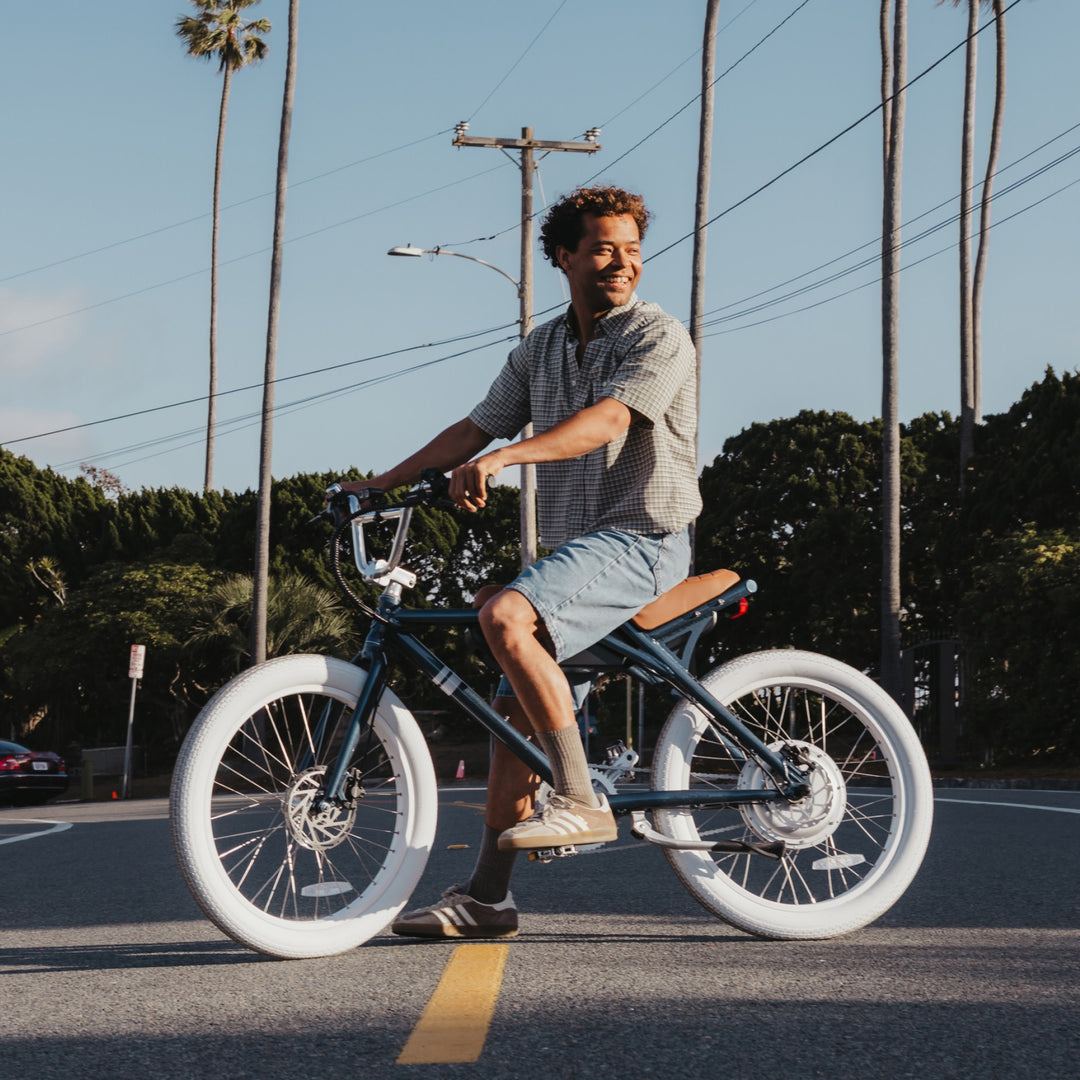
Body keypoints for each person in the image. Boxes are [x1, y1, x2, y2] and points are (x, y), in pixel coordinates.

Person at [340, 185, 701, 938]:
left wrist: (509, 458)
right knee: (511, 714)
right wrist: (378, 484)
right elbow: (476, 426)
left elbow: (606, 423)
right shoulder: (540, 349)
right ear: (563, 255)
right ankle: (487, 899)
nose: (621, 263)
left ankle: (578, 798)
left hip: (643, 540)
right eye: (602, 247)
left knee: (504, 612)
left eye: (631, 249)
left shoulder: (657, 336)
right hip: (579, 556)